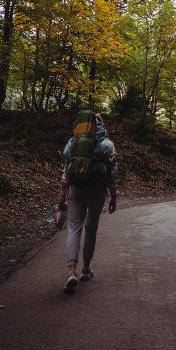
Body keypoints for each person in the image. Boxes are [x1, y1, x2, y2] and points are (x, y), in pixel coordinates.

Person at [59, 112, 118, 293]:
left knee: (74, 228)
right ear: (100, 125)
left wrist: (63, 193)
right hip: (97, 191)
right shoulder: (107, 145)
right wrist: (113, 196)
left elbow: (67, 168)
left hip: (75, 190)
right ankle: (86, 269)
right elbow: (113, 173)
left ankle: (71, 271)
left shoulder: (73, 142)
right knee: (91, 228)